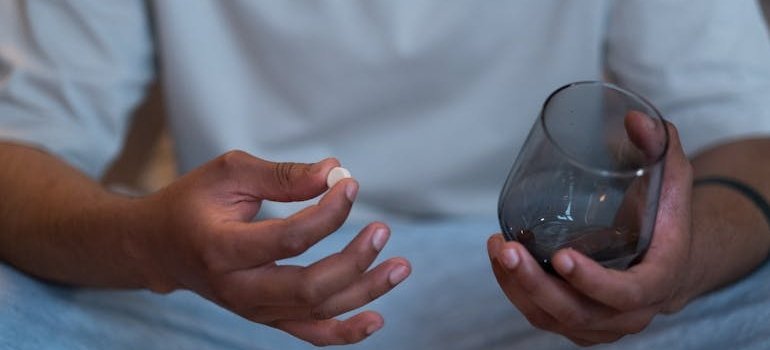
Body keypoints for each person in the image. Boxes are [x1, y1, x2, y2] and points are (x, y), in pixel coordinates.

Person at [1, 1, 769, 347]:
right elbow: (19, 147)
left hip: (536, 284)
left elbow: (750, 138)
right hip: (222, 288)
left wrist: (682, 262)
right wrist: (149, 246)